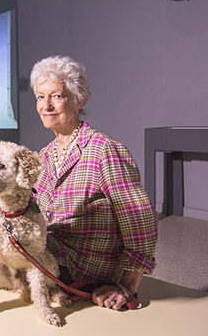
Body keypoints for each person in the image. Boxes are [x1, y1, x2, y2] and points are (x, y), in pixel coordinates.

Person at [29, 55, 158, 310]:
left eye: (56, 96)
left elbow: (139, 221)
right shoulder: (44, 155)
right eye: (40, 97)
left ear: (79, 100)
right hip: (52, 253)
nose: (46, 106)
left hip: (86, 267)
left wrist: (127, 286)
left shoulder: (104, 150)